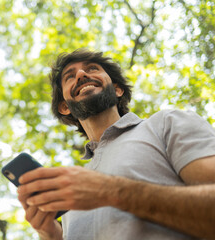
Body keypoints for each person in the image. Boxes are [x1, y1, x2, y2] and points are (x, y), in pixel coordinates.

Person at [16, 49, 215, 240]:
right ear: (65, 107)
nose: (82, 75)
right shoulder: (71, 197)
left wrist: (111, 191)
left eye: (92, 68)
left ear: (117, 89)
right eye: (70, 76)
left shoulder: (166, 123)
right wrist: (49, 236)